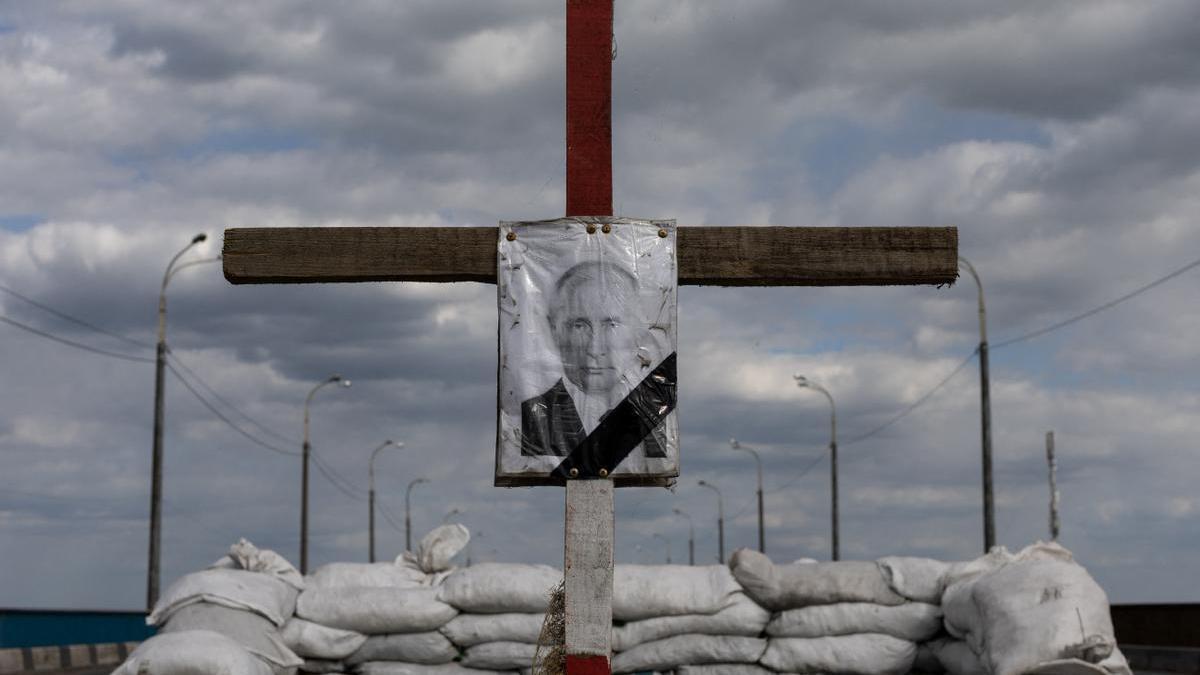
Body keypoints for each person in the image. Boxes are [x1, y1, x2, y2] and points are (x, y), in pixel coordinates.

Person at [521, 261, 668, 458]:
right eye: (579, 325)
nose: (595, 349)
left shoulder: (656, 415)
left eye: (612, 325)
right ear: (555, 331)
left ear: (639, 331)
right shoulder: (532, 419)